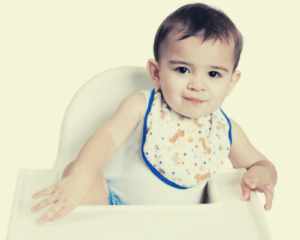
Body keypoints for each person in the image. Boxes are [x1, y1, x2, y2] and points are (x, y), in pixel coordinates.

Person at [31, 3, 277, 224]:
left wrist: (260, 174)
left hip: (185, 223)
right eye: (183, 69)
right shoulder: (141, 105)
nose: (197, 84)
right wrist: (81, 175)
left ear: (231, 82)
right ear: (157, 73)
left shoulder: (226, 130)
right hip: (114, 211)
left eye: (213, 74)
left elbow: (262, 163)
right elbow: (108, 137)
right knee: (75, 170)